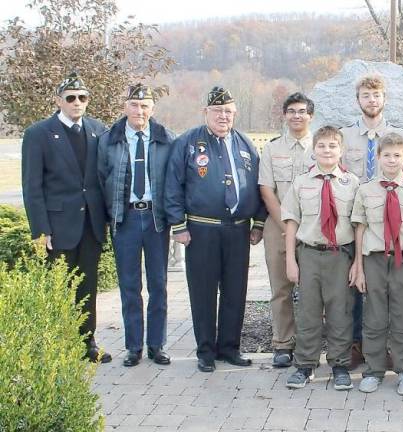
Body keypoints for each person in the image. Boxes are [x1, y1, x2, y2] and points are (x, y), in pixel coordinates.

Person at [164, 86, 266, 372]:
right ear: (205, 112)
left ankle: (230, 347)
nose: (223, 116)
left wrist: (258, 222)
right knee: (203, 291)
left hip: (238, 231)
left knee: (236, 290)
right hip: (201, 230)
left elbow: (259, 186)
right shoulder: (188, 143)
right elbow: (172, 185)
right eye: (218, 111)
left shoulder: (245, 145)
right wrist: (178, 225)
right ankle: (206, 351)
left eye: (229, 112)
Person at [22, 71, 111, 363]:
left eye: (82, 98)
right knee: (60, 288)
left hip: (91, 225)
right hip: (58, 227)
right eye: (71, 98)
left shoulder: (98, 130)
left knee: (87, 286)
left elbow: (102, 179)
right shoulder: (38, 133)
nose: (77, 103)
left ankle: (88, 343)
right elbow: (32, 187)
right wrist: (40, 229)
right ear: (59, 100)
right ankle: (59, 345)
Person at [97, 84, 175, 367]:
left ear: (152, 108)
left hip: (156, 219)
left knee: (159, 284)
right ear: (125, 107)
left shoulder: (167, 139)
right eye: (134, 105)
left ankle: (157, 345)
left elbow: (175, 181)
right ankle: (133, 347)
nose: (139, 111)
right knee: (129, 286)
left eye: (144, 106)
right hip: (125, 219)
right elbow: (100, 180)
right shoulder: (109, 140)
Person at [340, 74, 403, 368]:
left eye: (377, 95)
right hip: (354, 221)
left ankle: (395, 349)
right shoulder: (345, 137)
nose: (372, 100)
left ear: (385, 99)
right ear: (358, 100)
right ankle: (358, 345)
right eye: (366, 96)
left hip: (391, 223)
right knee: (355, 285)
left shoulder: (399, 137)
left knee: (394, 291)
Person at [281, 126, 360, 390]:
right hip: (310, 254)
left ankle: (339, 364)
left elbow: (359, 226)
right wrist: (291, 260)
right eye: (322, 146)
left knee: (341, 311)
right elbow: (291, 221)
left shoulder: (353, 183)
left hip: (340, 256)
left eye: (332, 146)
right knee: (308, 311)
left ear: (341, 150)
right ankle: (305, 364)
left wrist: (358, 263)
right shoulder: (301, 183)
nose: (327, 151)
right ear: (313, 150)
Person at [352, 133, 403, 396]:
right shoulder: (365, 190)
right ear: (378, 158)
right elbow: (360, 230)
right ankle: (373, 369)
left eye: (398, 155)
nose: (392, 160)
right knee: (373, 316)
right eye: (387, 155)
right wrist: (359, 267)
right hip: (374, 259)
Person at [259, 92, 316, 368]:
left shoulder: (321, 147)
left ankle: (310, 343)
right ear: (284, 115)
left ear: (311, 116)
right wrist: (286, 226)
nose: (297, 116)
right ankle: (283, 344)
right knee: (280, 288)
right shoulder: (271, 149)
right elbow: (267, 191)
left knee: (313, 289)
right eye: (291, 111)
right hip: (278, 226)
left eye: (302, 111)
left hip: (313, 229)